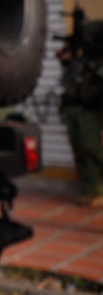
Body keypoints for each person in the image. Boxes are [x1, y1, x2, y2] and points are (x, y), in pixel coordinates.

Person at [57, 18, 103, 207]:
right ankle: (93, 189)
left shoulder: (97, 59)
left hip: (91, 109)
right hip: (73, 107)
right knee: (80, 150)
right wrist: (68, 61)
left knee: (92, 148)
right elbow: (73, 81)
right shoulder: (81, 57)